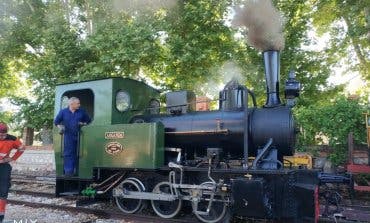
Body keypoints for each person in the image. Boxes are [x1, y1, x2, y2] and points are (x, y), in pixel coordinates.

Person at [54, 97, 91, 176]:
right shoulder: (63, 112)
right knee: (68, 153)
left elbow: (88, 121)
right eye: (78, 103)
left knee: (79, 153)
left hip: (80, 135)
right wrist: (60, 127)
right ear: (71, 104)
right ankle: (68, 172)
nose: (79, 105)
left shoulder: (82, 112)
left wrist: (83, 124)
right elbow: (56, 122)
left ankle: (78, 171)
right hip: (68, 136)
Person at [0, 123, 26, 223]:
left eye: (4, 135)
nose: (2, 137)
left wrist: (12, 158)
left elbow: (22, 148)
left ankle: (1, 216)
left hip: (4, 167)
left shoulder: (12, 139)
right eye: (0, 135)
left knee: (3, 190)